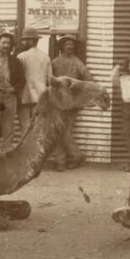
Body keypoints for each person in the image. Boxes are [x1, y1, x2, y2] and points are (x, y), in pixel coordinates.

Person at [50, 35, 94, 170]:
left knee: (65, 131)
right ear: (62, 46)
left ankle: (74, 156)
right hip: (57, 101)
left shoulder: (77, 62)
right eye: (67, 44)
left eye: (72, 45)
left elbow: (88, 79)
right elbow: (49, 80)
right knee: (57, 131)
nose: (70, 47)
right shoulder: (54, 62)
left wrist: (76, 88)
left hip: (71, 103)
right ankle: (61, 161)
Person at [16, 27, 52, 137]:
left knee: (25, 126)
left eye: (25, 40)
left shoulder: (21, 56)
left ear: (31, 41)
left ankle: (26, 151)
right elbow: (49, 79)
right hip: (41, 96)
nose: (23, 42)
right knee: (39, 126)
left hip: (24, 96)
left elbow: (18, 77)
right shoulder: (45, 57)